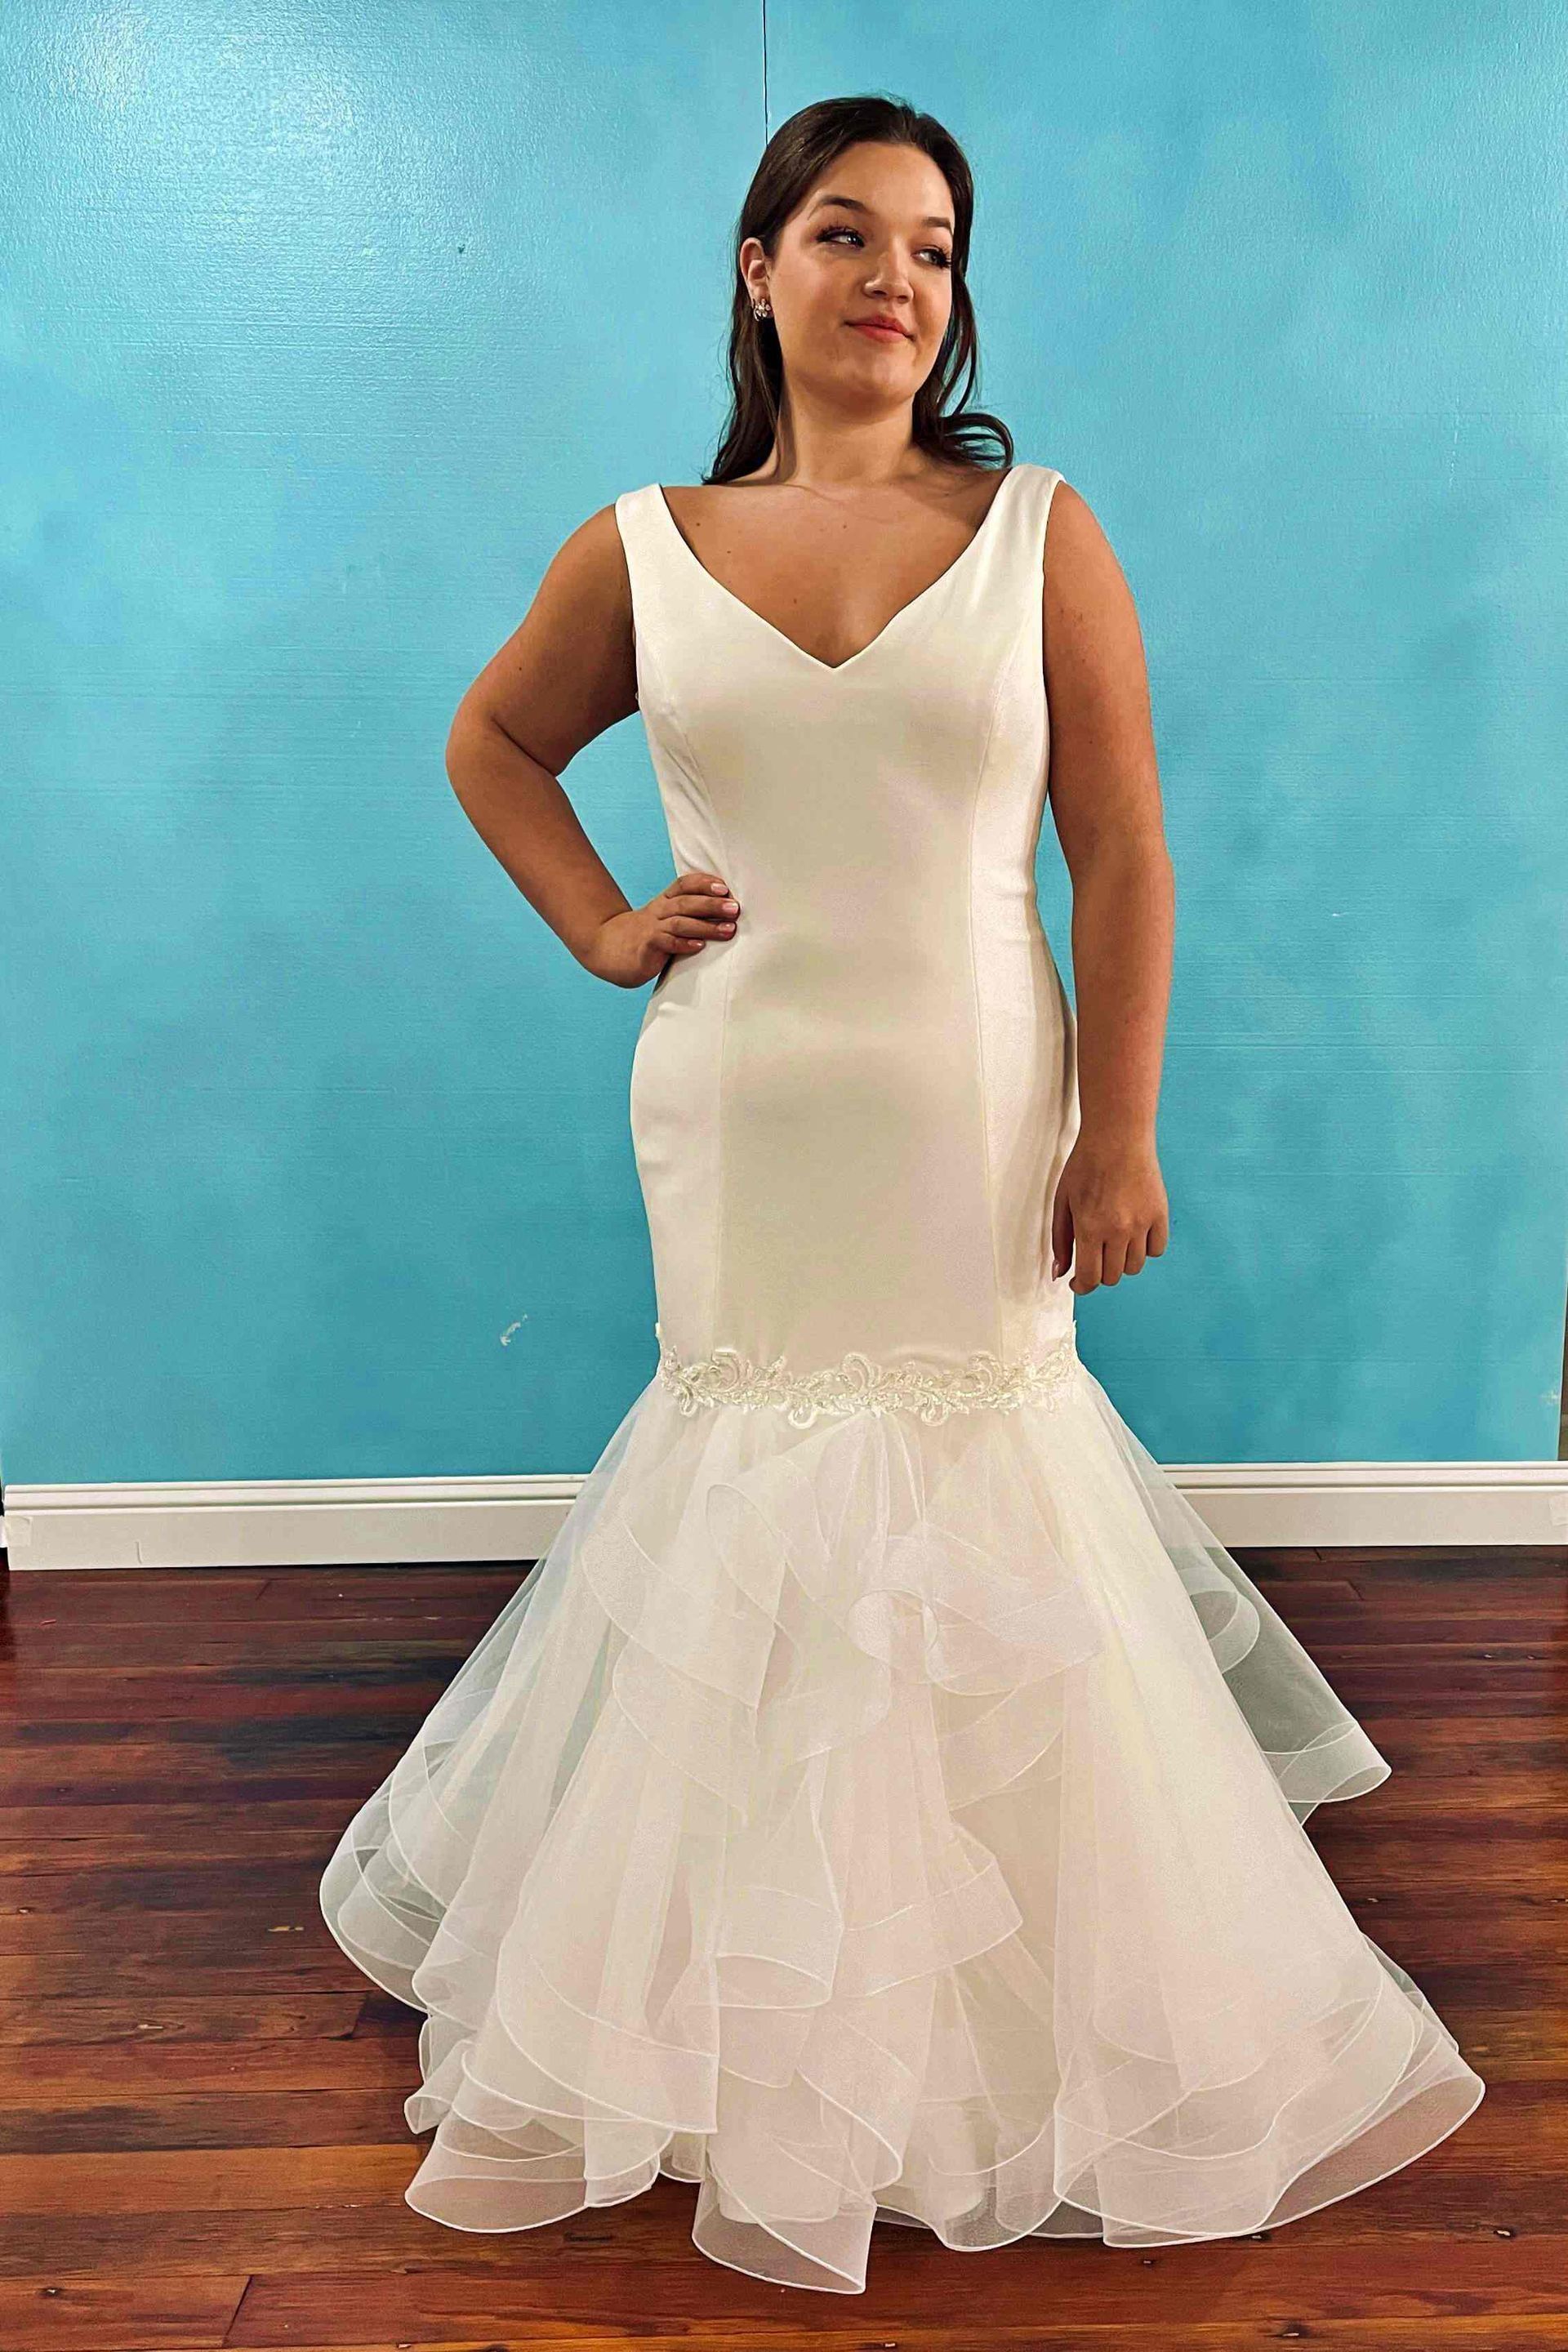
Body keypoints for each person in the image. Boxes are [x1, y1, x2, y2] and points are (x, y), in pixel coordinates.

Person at [319, 94, 1484, 2296]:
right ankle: (736, 2017)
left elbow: (1122, 848)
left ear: (955, 300)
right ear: (756, 269)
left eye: (934, 249)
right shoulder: (639, 547)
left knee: (987, 1485)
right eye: (846, 234)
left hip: (974, 1095)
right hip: (746, 1107)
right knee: (752, 1487)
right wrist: (594, 928)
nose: (894, 279)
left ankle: (1021, 2015)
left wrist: (1115, 1129)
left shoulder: (1041, 527)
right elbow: (493, 741)